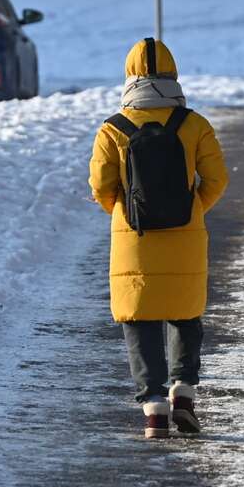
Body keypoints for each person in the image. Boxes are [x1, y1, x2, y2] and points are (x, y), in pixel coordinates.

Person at [88, 37, 229, 438]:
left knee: (139, 319)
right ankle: (182, 394)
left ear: (130, 75)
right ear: (173, 74)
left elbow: (101, 185)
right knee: (186, 314)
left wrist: (123, 211)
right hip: (185, 232)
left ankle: (153, 408)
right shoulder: (194, 124)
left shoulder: (113, 128)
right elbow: (217, 178)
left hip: (135, 233)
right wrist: (193, 207)